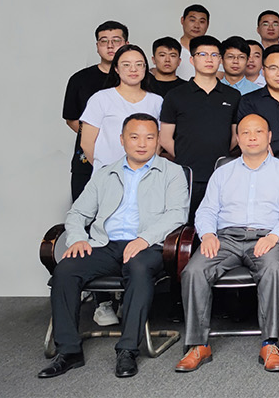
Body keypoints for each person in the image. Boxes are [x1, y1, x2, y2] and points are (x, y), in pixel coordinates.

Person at [38, 114, 189, 379]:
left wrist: (143, 239)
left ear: (158, 141)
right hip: (105, 244)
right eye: (134, 137)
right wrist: (78, 238)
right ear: (122, 140)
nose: (142, 143)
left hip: (147, 245)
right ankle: (69, 351)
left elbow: (178, 214)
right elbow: (78, 213)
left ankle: (127, 350)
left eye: (149, 137)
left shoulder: (172, 172)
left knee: (138, 269)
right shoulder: (105, 173)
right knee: (66, 270)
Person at [174, 113, 279, 373]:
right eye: (245, 132)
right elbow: (207, 210)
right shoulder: (223, 173)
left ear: (269, 137)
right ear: (238, 139)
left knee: (274, 270)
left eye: (258, 132)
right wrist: (207, 234)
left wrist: (274, 237)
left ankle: (270, 343)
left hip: (266, 237)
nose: (252, 137)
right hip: (225, 239)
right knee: (194, 270)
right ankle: (198, 345)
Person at [159, 34, 240, 220]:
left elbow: (236, 135)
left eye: (214, 55)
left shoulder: (233, 95)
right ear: (192, 60)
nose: (209, 59)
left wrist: (218, 151)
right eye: (202, 54)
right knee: (184, 225)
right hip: (186, 175)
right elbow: (165, 138)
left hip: (221, 174)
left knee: (219, 224)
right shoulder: (175, 95)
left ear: (220, 60)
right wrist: (185, 156)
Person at [63, 20, 126, 202]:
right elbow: (72, 118)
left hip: (128, 159)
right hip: (86, 161)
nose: (110, 46)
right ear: (97, 46)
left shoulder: (136, 78)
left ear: (126, 44)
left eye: (116, 40)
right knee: (85, 212)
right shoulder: (79, 79)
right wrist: (98, 139)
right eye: (104, 41)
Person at [79, 45, 164, 174]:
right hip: (108, 174)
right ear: (116, 68)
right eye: (126, 65)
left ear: (145, 68)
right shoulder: (101, 98)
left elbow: (159, 141)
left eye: (139, 64)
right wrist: (105, 169)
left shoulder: (157, 101)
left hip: (145, 175)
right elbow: (86, 143)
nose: (133, 69)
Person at [176, 3, 210, 79]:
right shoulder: (171, 49)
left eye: (202, 22)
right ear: (182, 20)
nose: (196, 26)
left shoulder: (214, 52)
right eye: (192, 20)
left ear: (208, 24)